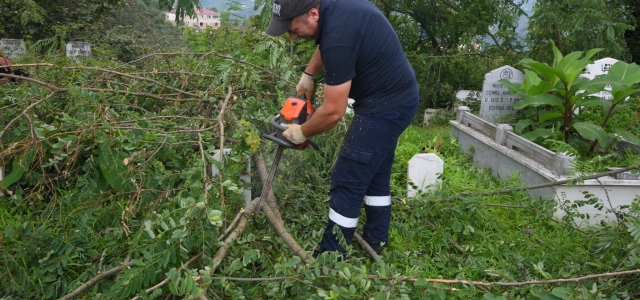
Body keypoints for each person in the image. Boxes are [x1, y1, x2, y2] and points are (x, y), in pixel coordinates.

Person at [264, 0, 419, 256]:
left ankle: (329, 259)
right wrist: (310, 73)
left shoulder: (338, 34)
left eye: (292, 28)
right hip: (397, 98)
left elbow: (334, 111)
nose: (291, 37)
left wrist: (301, 131)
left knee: (348, 177)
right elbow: (330, 41)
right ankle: (375, 242)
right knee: (375, 175)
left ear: (313, 14)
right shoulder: (333, 12)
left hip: (385, 106)